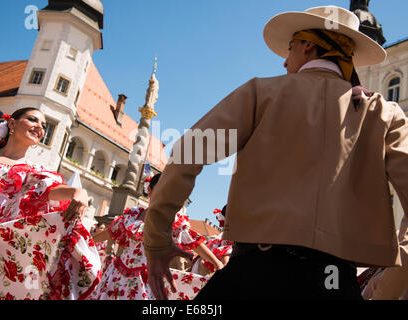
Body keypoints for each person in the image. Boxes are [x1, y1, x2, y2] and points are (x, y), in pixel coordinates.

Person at [143, 5, 408, 300]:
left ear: (308, 46)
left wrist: (157, 241)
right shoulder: (385, 113)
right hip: (334, 282)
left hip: (254, 273)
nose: (285, 60)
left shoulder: (260, 93)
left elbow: (189, 151)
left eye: (290, 47)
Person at [0, 108, 101, 300]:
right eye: (32, 120)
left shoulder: (33, 173)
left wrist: (78, 192)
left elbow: (51, 190)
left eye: (43, 125)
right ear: (11, 123)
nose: (39, 127)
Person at [89, 173, 223, 300]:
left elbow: (193, 242)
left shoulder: (173, 221)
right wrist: (88, 240)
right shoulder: (133, 215)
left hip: (148, 279)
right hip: (118, 273)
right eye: (160, 190)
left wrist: (218, 264)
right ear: (150, 190)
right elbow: (111, 230)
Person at [191, 206, 233, 276]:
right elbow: (225, 262)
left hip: (201, 270)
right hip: (209, 274)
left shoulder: (221, 237)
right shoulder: (230, 237)